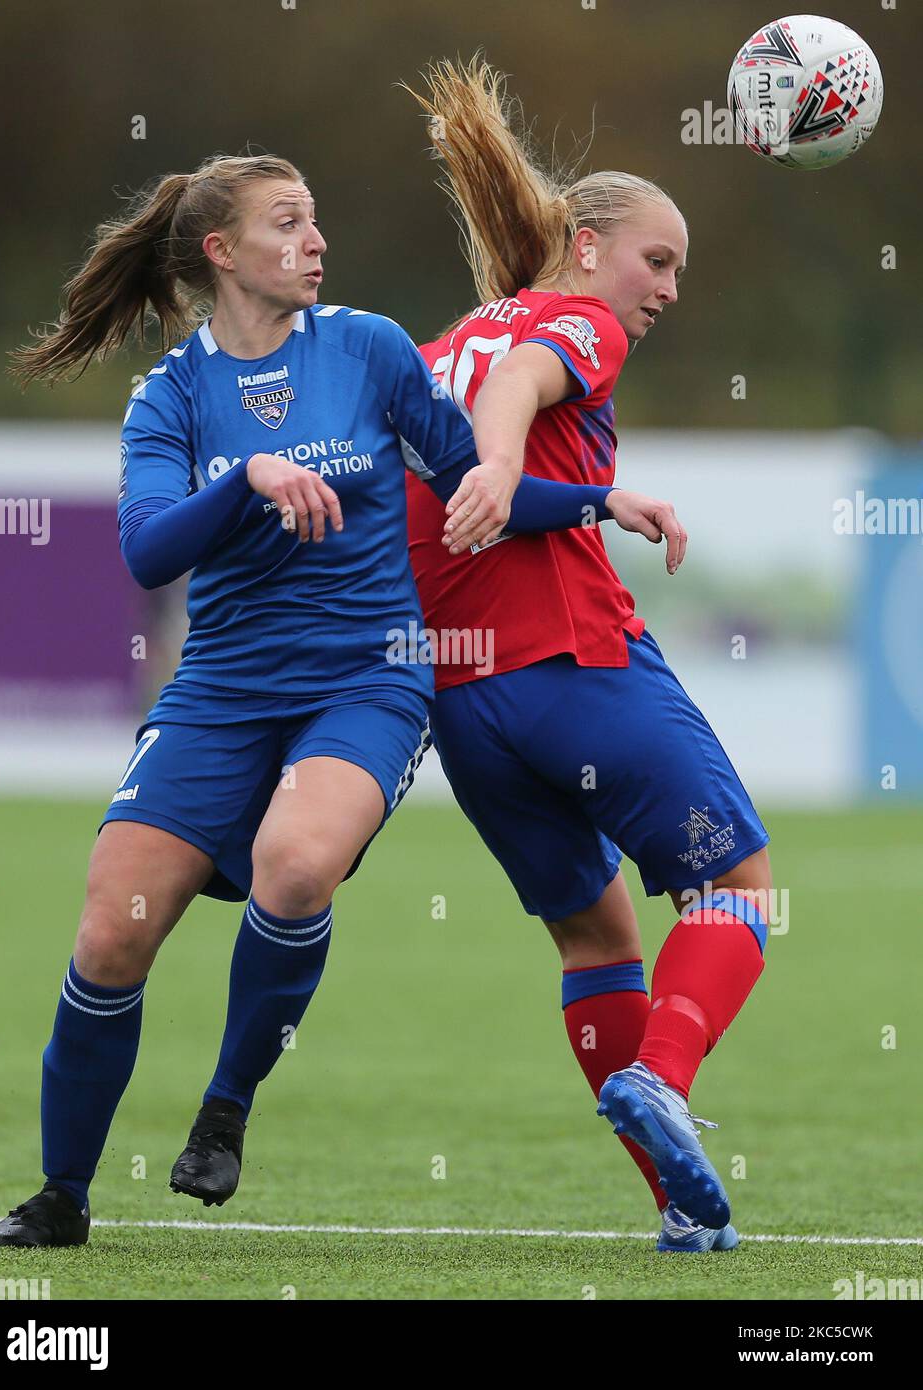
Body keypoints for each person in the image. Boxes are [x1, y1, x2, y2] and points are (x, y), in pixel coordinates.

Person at [0, 152, 670, 1249]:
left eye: (317, 219)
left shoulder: (369, 347)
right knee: (113, 932)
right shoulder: (171, 396)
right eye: (289, 223)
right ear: (222, 252)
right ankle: (61, 1195)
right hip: (220, 689)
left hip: (368, 677)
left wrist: (597, 497)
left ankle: (224, 1109)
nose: (316, 240)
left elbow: (469, 479)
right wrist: (240, 479)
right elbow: (151, 551)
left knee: (295, 865)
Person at [402, 58, 772, 1253]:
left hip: (464, 702)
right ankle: (665, 1078)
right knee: (741, 889)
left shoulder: (441, 340)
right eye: (655, 259)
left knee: (598, 940)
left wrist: (585, 494)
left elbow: (440, 449)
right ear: (583, 242)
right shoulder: (576, 320)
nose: (663, 289)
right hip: (575, 664)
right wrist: (511, 469)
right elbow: (525, 384)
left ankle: (680, 1212)